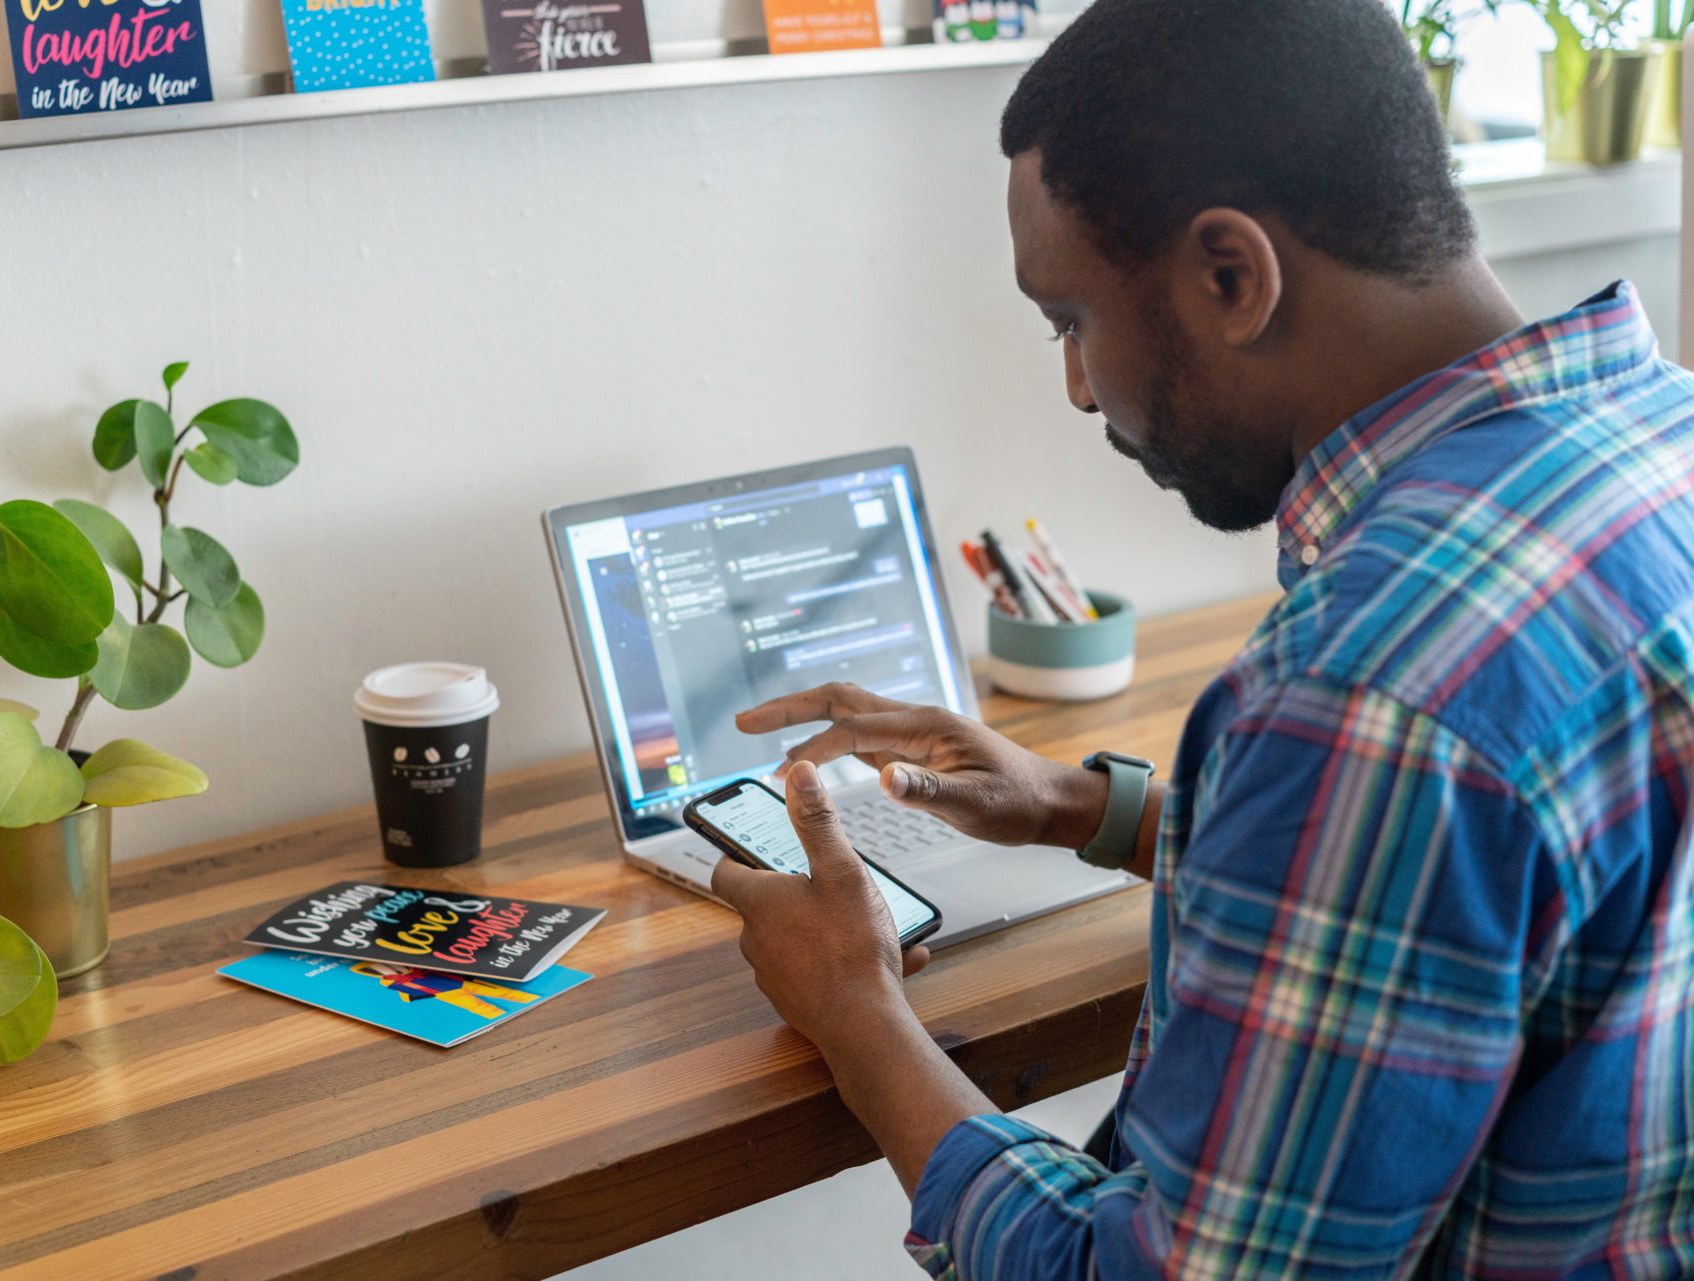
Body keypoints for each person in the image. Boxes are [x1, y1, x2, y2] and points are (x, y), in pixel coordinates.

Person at [709, 0, 1694, 1276]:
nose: (1075, 387)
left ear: (1233, 275)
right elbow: (1499, 889)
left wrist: (858, 1015)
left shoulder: (1368, 687)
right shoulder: (1657, 439)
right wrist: (1089, 807)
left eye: (1071, 321)